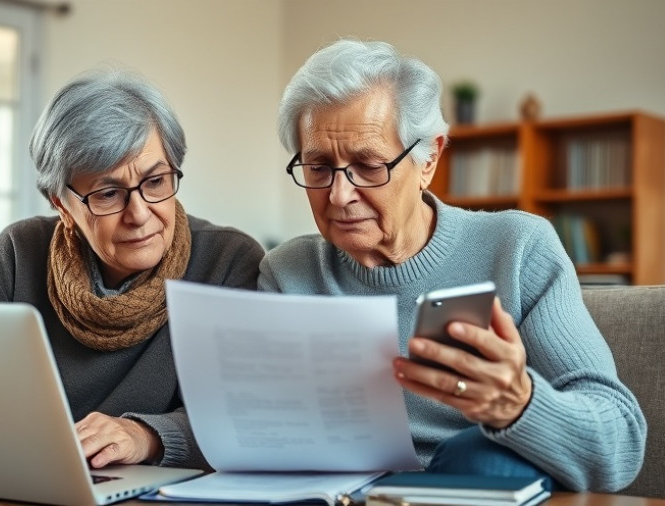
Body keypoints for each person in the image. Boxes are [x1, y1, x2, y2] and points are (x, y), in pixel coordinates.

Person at [259, 39, 646, 492]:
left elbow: (620, 445)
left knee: (479, 459)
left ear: (428, 159)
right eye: (319, 167)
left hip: (469, 487)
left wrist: (518, 404)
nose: (340, 195)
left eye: (367, 165)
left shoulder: (516, 248)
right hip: (329, 494)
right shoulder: (287, 273)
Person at [0, 70, 264, 471]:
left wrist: (145, 436)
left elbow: (251, 416)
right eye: (108, 194)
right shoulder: (19, 254)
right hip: (28, 476)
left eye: (156, 181)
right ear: (61, 204)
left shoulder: (228, 261)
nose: (140, 214)